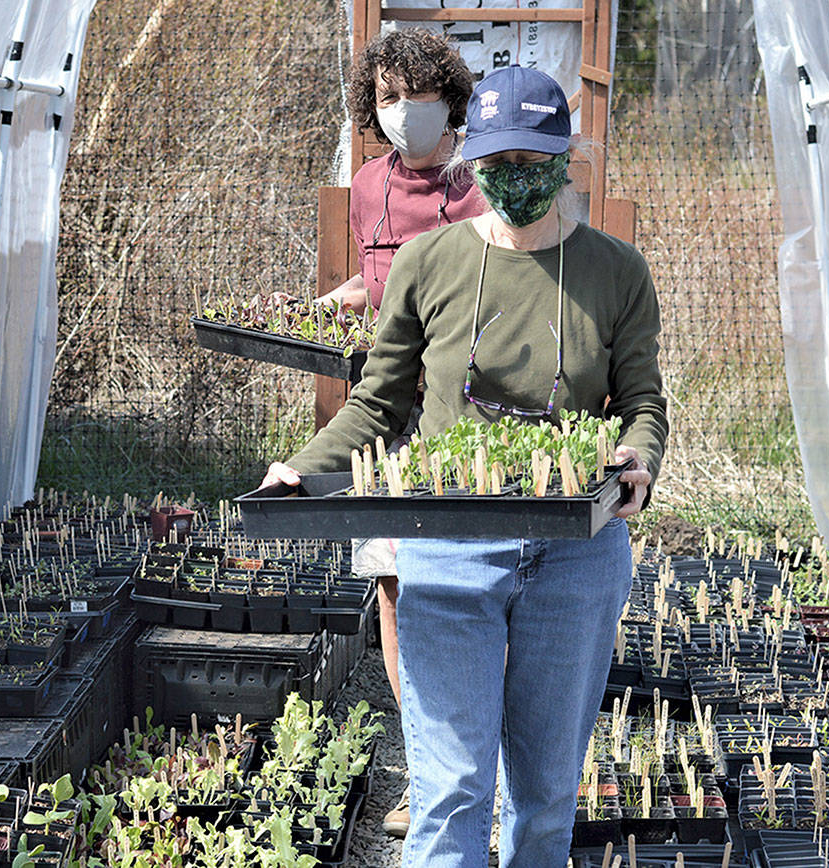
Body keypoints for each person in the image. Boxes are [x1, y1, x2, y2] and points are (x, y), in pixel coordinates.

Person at [262, 65, 667, 867]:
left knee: (546, 797)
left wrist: (636, 459)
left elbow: (643, 404)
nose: (516, 179)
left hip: (575, 553)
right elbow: (378, 405)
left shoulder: (617, 271)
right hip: (447, 546)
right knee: (450, 793)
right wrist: (302, 470)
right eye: (497, 162)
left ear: (564, 157)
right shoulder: (428, 262)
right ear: (469, 161)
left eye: (533, 161)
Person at [320, 29, 487, 839]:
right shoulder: (366, 183)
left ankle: (480, 784)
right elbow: (384, 278)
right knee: (393, 593)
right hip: (390, 416)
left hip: (468, 423)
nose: (400, 113)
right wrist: (344, 300)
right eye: (386, 97)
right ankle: (429, 778)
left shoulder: (480, 186)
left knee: (464, 593)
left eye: (415, 96)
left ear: (450, 101)